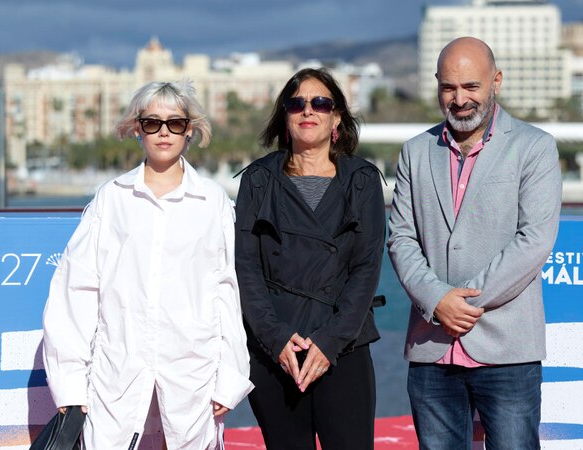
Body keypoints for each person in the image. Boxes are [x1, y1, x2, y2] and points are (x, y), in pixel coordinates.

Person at [42, 80, 253, 450]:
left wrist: (230, 375)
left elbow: (227, 291)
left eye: (175, 122)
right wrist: (71, 384)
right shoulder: (112, 200)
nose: (164, 132)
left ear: (190, 129)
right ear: (138, 128)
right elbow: (75, 291)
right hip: (117, 374)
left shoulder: (212, 202)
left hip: (194, 373)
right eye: (153, 122)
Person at [387, 37, 562, 449]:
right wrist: (437, 300)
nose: (459, 98)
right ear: (436, 86)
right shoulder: (414, 152)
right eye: (449, 87)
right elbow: (400, 237)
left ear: (495, 82)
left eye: (471, 86)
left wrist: (462, 304)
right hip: (431, 349)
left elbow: (534, 239)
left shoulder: (534, 147)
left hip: (507, 350)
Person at [235, 67, 386, 450]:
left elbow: (366, 269)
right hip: (276, 354)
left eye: (320, 103)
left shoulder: (362, 180)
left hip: (342, 349)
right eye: (296, 103)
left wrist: (329, 343)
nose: (308, 111)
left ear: (336, 118)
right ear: (284, 117)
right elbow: (246, 268)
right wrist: (276, 338)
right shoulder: (257, 180)